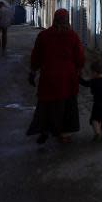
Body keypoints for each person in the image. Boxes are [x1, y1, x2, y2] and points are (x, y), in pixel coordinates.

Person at [26, 8, 84, 144]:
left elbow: (36, 56)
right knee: (67, 105)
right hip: (67, 78)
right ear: (67, 20)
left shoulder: (44, 35)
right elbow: (80, 57)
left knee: (47, 104)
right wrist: (79, 69)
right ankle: (64, 134)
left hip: (48, 77)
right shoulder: (72, 36)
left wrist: (33, 71)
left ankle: (45, 129)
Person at [79, 60, 102, 141]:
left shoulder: (94, 81)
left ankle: (97, 133)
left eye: (91, 72)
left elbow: (85, 83)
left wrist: (78, 77)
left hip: (98, 104)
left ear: (94, 72)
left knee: (95, 119)